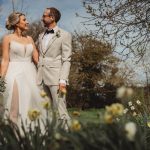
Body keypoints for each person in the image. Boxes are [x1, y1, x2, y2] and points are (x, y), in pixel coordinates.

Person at [1, 12, 46, 128]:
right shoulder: (7, 38)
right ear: (16, 23)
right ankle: (13, 136)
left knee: (31, 106)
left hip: (31, 74)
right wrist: (1, 79)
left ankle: (29, 135)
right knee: (14, 105)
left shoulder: (30, 39)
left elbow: (37, 59)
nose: (27, 22)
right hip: (13, 74)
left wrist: (50, 69)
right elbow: (5, 60)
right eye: (24, 20)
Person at [37, 7, 72, 124]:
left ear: (52, 18)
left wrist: (63, 80)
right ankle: (49, 137)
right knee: (44, 110)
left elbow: (66, 60)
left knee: (60, 110)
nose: (42, 18)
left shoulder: (64, 35)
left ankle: (66, 138)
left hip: (56, 78)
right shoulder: (40, 35)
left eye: (44, 16)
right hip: (40, 78)